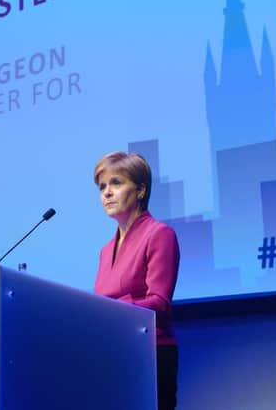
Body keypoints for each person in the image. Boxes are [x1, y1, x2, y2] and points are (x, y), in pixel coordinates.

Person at [93, 151, 180, 410]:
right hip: (112, 354)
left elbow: (159, 302)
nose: (107, 193)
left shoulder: (160, 234)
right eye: (102, 187)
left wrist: (110, 309)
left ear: (141, 190)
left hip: (150, 353)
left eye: (116, 183)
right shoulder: (105, 250)